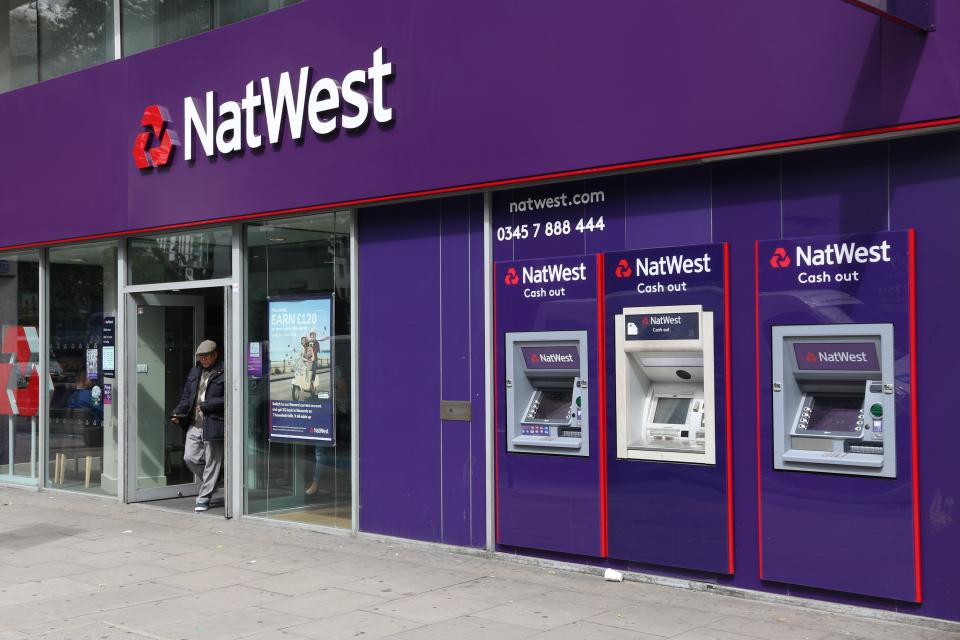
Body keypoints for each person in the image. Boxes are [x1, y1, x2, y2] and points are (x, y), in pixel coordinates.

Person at [170, 340, 225, 512]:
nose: (204, 360)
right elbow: (187, 396)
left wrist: (208, 405)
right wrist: (178, 412)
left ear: (215, 354)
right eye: (201, 357)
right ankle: (216, 480)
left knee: (212, 462)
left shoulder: (224, 371)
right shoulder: (195, 371)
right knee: (190, 457)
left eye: (207, 356)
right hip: (195, 422)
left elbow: (230, 398)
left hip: (214, 422)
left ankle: (205, 496)